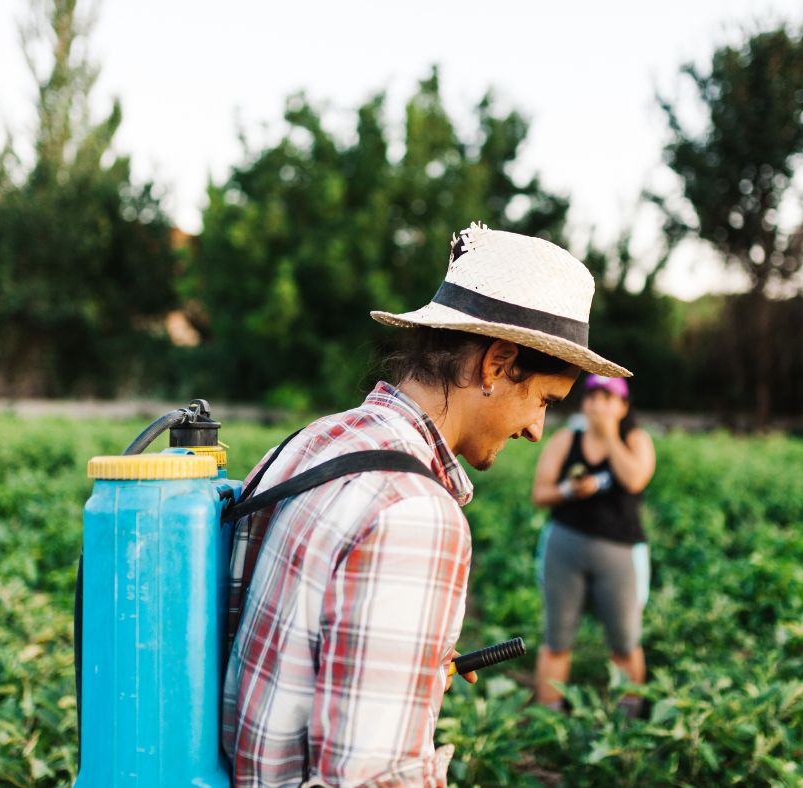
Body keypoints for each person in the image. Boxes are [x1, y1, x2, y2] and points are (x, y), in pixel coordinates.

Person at [221, 222, 631, 786]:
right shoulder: (415, 513)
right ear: (496, 363)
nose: (537, 429)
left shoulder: (313, 442)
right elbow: (369, 778)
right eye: (542, 400)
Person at [531, 374, 655, 716]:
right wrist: (570, 491)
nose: (599, 404)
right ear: (583, 402)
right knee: (557, 640)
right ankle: (548, 719)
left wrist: (609, 434)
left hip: (620, 552)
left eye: (608, 397)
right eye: (593, 396)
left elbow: (634, 478)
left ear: (623, 406)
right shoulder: (566, 439)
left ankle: (627, 722)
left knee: (625, 641)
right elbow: (540, 493)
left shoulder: (636, 439)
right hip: (564, 547)